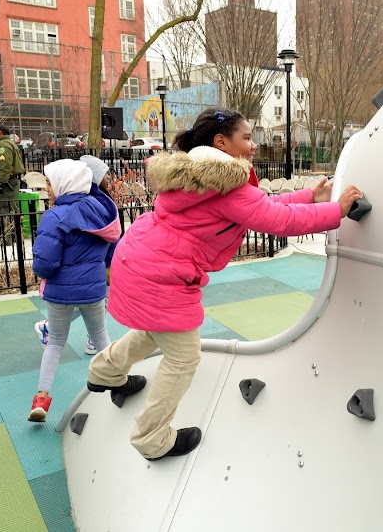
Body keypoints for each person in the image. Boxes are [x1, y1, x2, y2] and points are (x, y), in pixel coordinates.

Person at [86, 108, 363, 461]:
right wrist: (336, 211)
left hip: (139, 258)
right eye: (246, 138)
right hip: (161, 273)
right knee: (184, 356)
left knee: (158, 329)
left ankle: (104, 372)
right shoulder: (226, 185)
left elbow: (258, 206)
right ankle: (151, 438)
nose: (253, 145)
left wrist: (308, 198)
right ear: (222, 142)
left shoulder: (199, 175)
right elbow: (275, 219)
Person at [28, 158, 122, 422]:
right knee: (102, 339)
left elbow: (45, 262)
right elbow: (112, 248)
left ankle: (41, 399)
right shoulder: (103, 212)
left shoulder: (55, 216)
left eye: (49, 182)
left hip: (60, 292)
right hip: (93, 290)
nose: (47, 188)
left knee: (56, 343)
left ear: (63, 183)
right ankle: (117, 385)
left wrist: (43, 270)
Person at [34, 154, 116, 356]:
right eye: (104, 175)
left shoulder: (94, 203)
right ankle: (89, 341)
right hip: (93, 267)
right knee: (90, 297)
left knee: (89, 297)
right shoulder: (95, 205)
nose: (108, 179)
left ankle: (58, 331)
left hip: (94, 266)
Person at [0, 124, 25, 243]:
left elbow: (6, 166)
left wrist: (0, 182)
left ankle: (8, 238)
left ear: (0, 132)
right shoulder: (9, 143)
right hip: (10, 182)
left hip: (7, 183)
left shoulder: (4, 146)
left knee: (5, 209)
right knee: (11, 208)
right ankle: (15, 237)